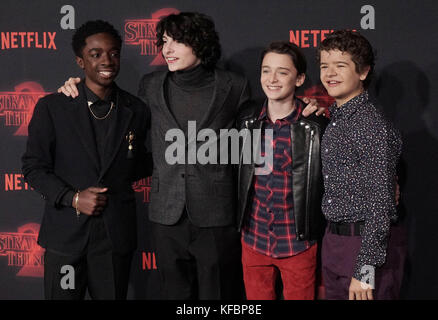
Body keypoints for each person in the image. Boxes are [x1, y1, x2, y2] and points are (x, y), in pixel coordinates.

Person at [57, 12, 322, 300]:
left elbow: (266, 115)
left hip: (217, 214)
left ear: (200, 43)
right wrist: (79, 86)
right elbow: (116, 111)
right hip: (166, 215)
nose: (167, 50)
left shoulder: (234, 85)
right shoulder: (150, 85)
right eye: (165, 42)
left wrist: (308, 103)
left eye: (177, 42)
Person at [22, 20, 151, 300]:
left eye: (114, 53)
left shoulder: (136, 110)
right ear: (80, 61)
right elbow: (33, 167)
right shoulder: (53, 107)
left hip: (115, 235)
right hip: (66, 234)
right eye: (96, 54)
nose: (107, 60)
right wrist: (73, 198)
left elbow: (142, 162)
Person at [237, 41, 328, 300]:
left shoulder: (317, 125)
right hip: (253, 240)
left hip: (298, 243)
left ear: (299, 78)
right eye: (266, 70)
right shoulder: (246, 119)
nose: (272, 79)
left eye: (282, 72)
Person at [318, 30, 402, 300]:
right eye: (324, 66)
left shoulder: (371, 125)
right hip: (335, 243)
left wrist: (365, 269)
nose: (330, 73)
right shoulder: (338, 118)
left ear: (363, 72)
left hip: (365, 249)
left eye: (340, 66)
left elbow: (381, 201)